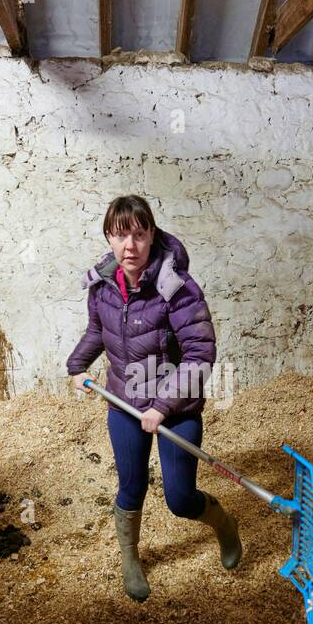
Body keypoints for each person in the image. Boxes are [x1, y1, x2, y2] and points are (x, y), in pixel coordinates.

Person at [66, 195, 241, 601]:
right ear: (109, 237)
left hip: (176, 409)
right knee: (131, 487)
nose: (130, 246)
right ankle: (130, 557)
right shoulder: (103, 286)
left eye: (139, 235)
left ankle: (223, 523)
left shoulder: (176, 288)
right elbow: (97, 331)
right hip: (125, 403)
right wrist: (77, 366)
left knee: (180, 499)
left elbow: (200, 354)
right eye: (120, 235)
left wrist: (162, 406)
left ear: (152, 235)